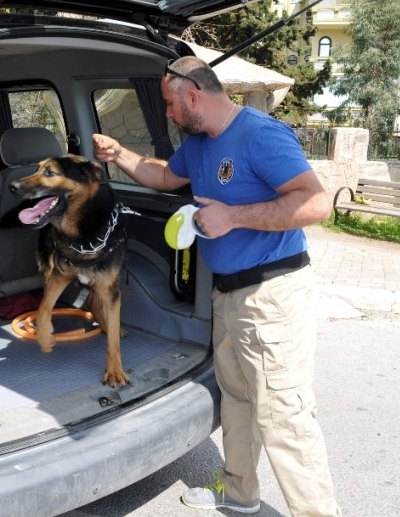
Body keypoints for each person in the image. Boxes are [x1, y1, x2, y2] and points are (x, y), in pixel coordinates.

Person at [93, 56, 340, 516]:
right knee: (240, 399)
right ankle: (241, 493)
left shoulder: (261, 134)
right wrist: (118, 155)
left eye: (169, 103)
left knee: (284, 415)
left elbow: (316, 203)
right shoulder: (200, 143)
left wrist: (233, 216)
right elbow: (164, 176)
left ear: (193, 93)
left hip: (272, 294)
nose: (167, 113)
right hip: (227, 293)